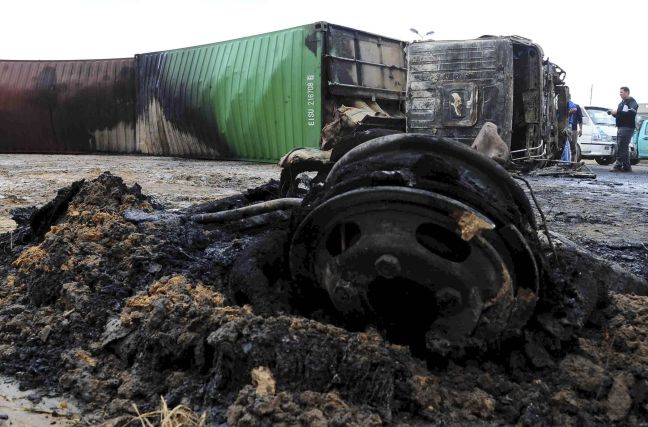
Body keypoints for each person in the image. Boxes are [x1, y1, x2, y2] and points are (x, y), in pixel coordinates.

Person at [609, 86, 638, 172]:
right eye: (620, 92)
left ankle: (618, 164)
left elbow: (631, 113)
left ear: (627, 92)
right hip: (621, 127)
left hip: (627, 127)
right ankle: (626, 166)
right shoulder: (621, 103)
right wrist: (613, 113)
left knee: (621, 146)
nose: (620, 94)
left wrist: (617, 112)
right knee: (623, 146)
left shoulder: (632, 102)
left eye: (621, 92)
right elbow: (621, 114)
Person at [567, 97, 583, 163]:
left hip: (573, 129)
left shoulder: (576, 106)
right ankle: (566, 162)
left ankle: (574, 163)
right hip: (565, 128)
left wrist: (581, 129)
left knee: (573, 146)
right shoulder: (561, 105)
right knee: (566, 146)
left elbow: (580, 119)